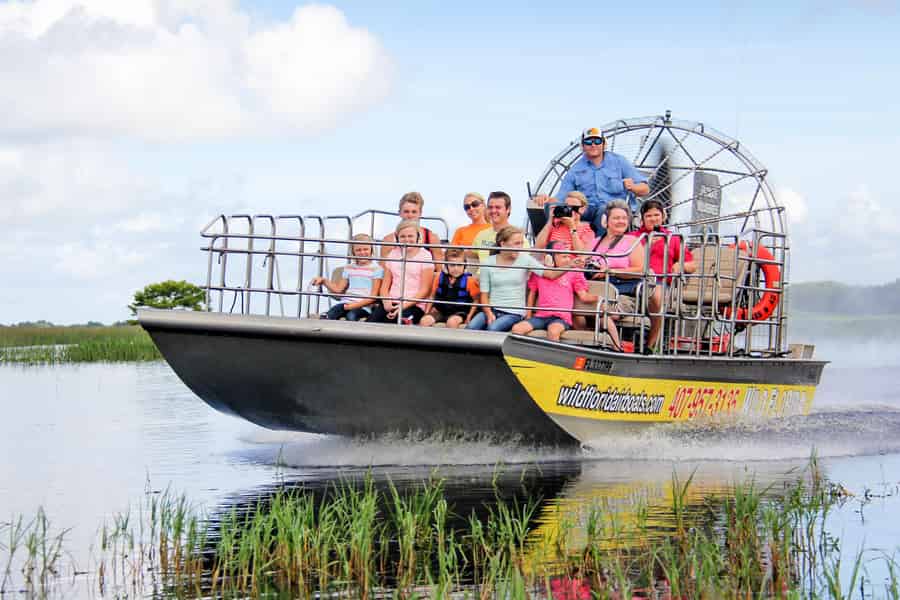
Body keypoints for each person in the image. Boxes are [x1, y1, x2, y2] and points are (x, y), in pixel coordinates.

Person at [534, 128, 650, 235]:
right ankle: (555, 246)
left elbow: (645, 189)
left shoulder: (619, 162)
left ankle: (601, 251)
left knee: (603, 211)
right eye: (588, 142)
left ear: (604, 144)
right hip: (586, 209)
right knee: (554, 207)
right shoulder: (575, 170)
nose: (593, 145)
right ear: (583, 146)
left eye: (597, 141)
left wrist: (633, 187)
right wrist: (545, 199)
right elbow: (561, 197)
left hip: (614, 210)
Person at [587, 201, 664, 352]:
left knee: (599, 310)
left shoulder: (632, 242)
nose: (621, 221)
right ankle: (588, 342)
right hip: (594, 290)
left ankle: (616, 347)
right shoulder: (594, 243)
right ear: (605, 221)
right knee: (578, 308)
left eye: (624, 218)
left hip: (621, 292)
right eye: (616, 218)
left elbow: (640, 270)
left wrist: (611, 271)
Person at [466, 226, 561, 332]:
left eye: (521, 243)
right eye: (516, 243)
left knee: (492, 328)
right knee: (470, 328)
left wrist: (570, 265)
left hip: (514, 313)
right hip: (491, 309)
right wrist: (488, 313)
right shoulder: (487, 262)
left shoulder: (525, 259)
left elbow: (551, 274)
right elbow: (484, 295)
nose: (520, 247)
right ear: (502, 244)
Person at [511, 246, 604, 342]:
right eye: (564, 257)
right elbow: (532, 293)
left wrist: (599, 298)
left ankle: (550, 356)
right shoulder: (540, 272)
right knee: (517, 329)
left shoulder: (574, 272)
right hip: (541, 316)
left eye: (568, 257)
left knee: (553, 331)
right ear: (551, 257)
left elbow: (583, 296)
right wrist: (529, 315)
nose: (568, 259)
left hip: (561, 318)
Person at [369, 220, 435, 324]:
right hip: (392, 302)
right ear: (397, 238)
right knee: (371, 323)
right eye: (403, 236)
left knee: (398, 321)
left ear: (418, 237)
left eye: (410, 236)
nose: (406, 239)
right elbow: (385, 287)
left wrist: (402, 306)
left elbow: (425, 290)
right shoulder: (392, 254)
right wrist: (386, 302)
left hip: (414, 305)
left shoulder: (425, 255)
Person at [311, 234, 383, 321]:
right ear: (353, 252)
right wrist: (324, 281)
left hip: (363, 306)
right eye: (358, 250)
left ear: (371, 250)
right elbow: (338, 290)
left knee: (351, 316)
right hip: (346, 302)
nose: (362, 252)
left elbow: (373, 296)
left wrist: (354, 305)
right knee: (331, 313)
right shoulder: (349, 268)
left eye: (366, 249)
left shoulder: (377, 269)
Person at [627, 198, 696, 283]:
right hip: (636, 280)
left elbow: (692, 266)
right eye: (648, 216)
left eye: (656, 215)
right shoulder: (631, 237)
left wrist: (681, 265)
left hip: (662, 283)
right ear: (642, 219)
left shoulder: (672, 237)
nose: (653, 219)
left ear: (663, 217)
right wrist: (647, 246)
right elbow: (623, 261)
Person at [419, 248, 481, 328]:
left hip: (460, 312)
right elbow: (432, 297)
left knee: (452, 322)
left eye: (459, 265)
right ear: (446, 266)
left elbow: (476, 301)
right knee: (425, 321)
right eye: (452, 265)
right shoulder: (438, 277)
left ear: (464, 266)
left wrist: (469, 316)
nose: (456, 268)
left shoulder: (470, 281)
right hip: (441, 310)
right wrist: (426, 312)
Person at [381, 192, 444, 262]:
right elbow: (384, 267)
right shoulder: (388, 240)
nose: (410, 215)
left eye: (414, 212)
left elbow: (438, 270)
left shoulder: (431, 238)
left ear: (420, 213)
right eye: (406, 211)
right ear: (400, 213)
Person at [471, 191, 530, 265]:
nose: (493, 211)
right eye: (490, 207)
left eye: (498, 207)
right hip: (481, 275)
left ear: (508, 209)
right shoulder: (481, 235)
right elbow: (470, 257)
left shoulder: (519, 238)